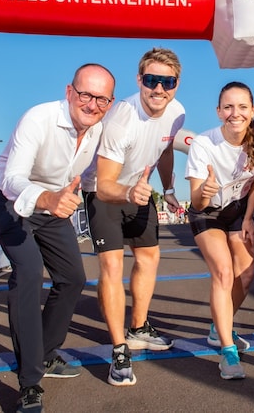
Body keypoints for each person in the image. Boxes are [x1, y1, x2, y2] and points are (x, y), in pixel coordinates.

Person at [0, 64, 116, 412]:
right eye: (86, 95)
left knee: (73, 278)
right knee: (28, 274)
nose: (92, 105)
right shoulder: (38, 118)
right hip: (11, 200)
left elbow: (89, 180)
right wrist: (48, 199)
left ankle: (43, 354)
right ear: (70, 92)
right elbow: (13, 178)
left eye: (102, 99)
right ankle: (29, 382)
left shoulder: (98, 130)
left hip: (54, 205)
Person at [82, 47, 184, 387]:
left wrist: (168, 188)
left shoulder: (177, 112)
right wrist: (130, 193)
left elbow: (166, 148)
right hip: (105, 191)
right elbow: (105, 183)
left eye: (167, 82)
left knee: (150, 258)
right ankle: (119, 350)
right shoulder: (121, 120)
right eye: (152, 80)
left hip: (139, 189)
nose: (159, 89)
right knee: (112, 266)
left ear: (176, 84)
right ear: (140, 80)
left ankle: (138, 327)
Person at [185, 81, 254, 380]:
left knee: (246, 274)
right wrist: (206, 192)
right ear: (219, 111)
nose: (236, 113)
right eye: (229, 107)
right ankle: (227, 349)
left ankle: (217, 326)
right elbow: (196, 199)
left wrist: (249, 217)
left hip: (238, 209)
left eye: (243, 107)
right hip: (206, 211)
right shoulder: (204, 144)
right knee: (223, 272)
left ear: (253, 110)